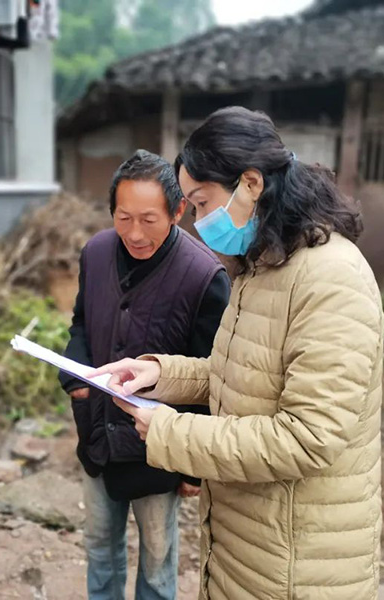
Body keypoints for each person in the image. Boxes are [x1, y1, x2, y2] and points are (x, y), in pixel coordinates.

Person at [91, 107, 384, 600]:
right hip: (248, 538)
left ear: (251, 183)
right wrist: (157, 374)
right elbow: (234, 372)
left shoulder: (331, 279)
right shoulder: (264, 267)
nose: (199, 221)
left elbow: (309, 437)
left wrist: (171, 431)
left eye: (203, 203)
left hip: (298, 561)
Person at [59, 149, 231, 600]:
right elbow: (81, 323)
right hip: (97, 434)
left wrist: (193, 467)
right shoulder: (96, 253)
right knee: (99, 545)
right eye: (124, 217)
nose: (134, 233)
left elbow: (211, 376)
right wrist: (76, 381)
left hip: (158, 449)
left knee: (157, 556)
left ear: (177, 211)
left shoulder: (204, 275)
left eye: (149, 220)